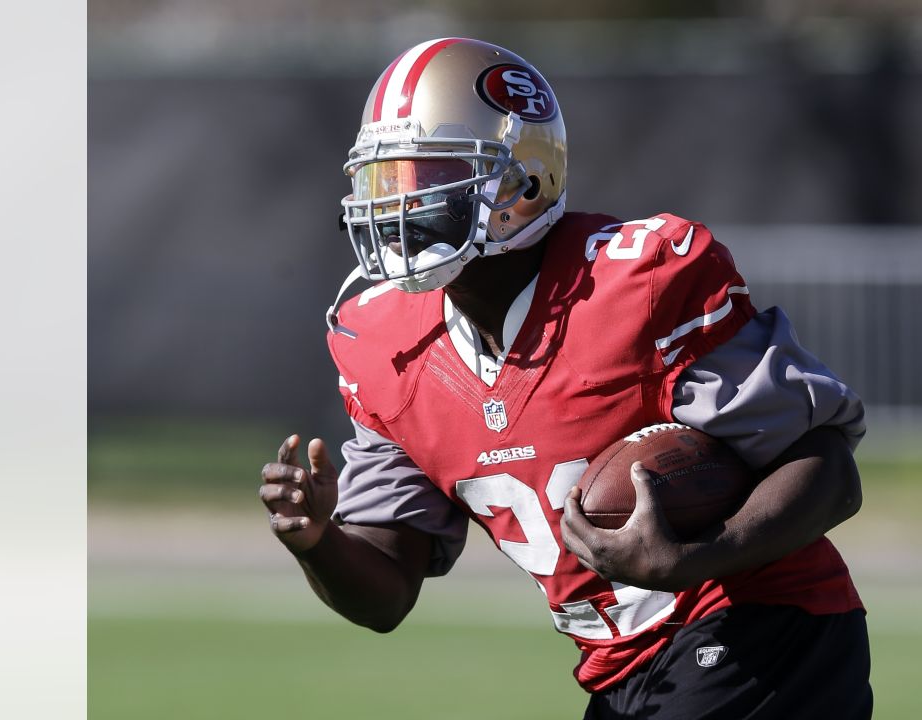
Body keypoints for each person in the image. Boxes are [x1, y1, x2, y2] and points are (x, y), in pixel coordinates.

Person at [259, 37, 873, 719]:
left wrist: (699, 554)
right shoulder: (381, 342)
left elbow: (828, 471)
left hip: (768, 629)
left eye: (429, 175)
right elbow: (385, 592)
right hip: (623, 669)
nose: (399, 208)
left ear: (523, 179)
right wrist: (317, 543)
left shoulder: (633, 284)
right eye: (384, 179)